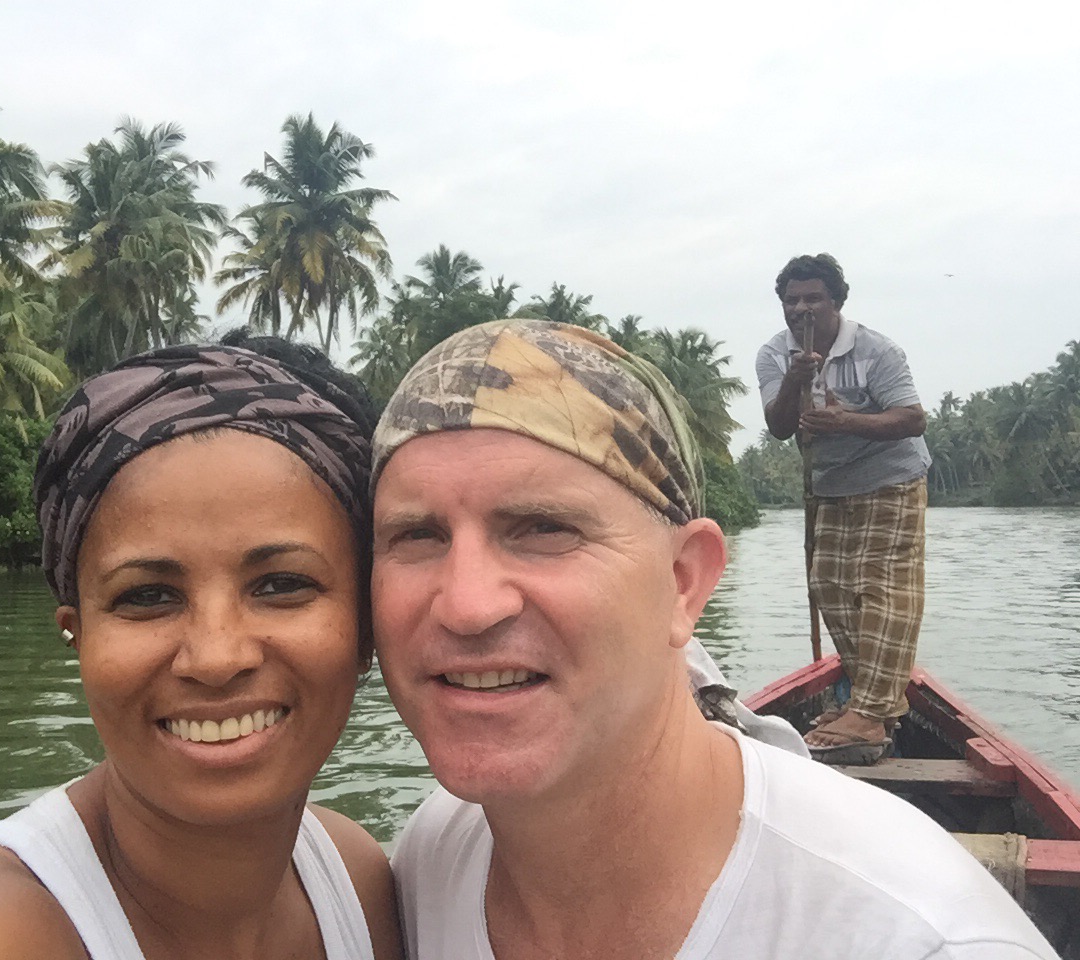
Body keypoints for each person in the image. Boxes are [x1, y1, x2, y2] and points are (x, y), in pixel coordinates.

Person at [372, 318, 1056, 959]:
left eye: (545, 529)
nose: (467, 606)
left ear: (684, 582)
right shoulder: (432, 856)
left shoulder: (920, 938)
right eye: (416, 535)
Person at [0, 340, 402, 960]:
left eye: (281, 585)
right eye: (147, 596)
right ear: (78, 632)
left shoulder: (358, 885)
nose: (216, 658)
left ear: (365, 629)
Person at [757, 253, 931, 760]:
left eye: (813, 298)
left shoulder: (875, 350)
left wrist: (847, 421)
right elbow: (779, 427)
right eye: (792, 301)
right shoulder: (774, 354)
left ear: (835, 302)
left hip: (891, 478)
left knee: (883, 590)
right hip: (828, 484)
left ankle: (871, 712)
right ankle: (870, 704)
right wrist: (795, 379)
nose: (802, 309)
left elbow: (912, 418)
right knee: (829, 585)